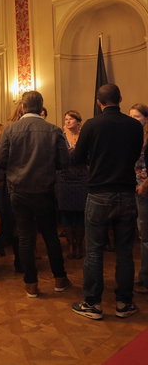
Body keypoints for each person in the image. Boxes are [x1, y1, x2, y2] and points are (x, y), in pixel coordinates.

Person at [72, 84, 143, 320]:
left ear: (99, 102)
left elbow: (77, 158)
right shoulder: (134, 126)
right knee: (124, 252)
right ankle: (124, 303)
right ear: (120, 99)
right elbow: (134, 155)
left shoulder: (92, 125)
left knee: (94, 251)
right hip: (126, 193)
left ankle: (92, 304)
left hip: (99, 194)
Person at [0, 91, 71, 298]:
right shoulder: (53, 130)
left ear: (22, 107)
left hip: (18, 191)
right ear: (41, 106)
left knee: (25, 237)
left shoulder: (11, 130)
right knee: (50, 236)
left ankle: (31, 284)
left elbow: (0, 159)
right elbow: (64, 162)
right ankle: (60, 279)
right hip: (45, 191)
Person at [55, 110, 88, 259]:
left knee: (80, 212)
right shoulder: (60, 136)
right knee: (66, 212)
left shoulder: (85, 136)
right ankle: (70, 245)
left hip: (82, 176)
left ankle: (79, 245)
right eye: (66, 119)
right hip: (64, 177)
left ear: (78, 122)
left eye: (71, 119)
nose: (68, 121)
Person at [0, 123, 20, 272]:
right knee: (2, 211)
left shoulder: (3, 145)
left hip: (3, 182)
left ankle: (6, 238)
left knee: (6, 211)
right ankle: (4, 237)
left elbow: (1, 161)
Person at [130, 104, 148, 294]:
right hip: (136, 188)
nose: (133, 120)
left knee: (146, 235)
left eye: (136, 117)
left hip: (145, 190)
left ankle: (145, 279)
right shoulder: (134, 136)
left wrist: (144, 184)